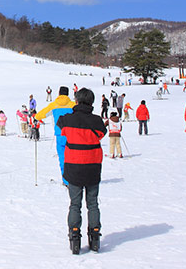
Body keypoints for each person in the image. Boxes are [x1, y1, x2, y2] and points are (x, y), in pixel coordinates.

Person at [57, 88, 107, 254]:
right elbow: (101, 134)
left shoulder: (67, 119)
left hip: (74, 166)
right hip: (92, 166)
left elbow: (61, 126)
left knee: (75, 204)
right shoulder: (97, 121)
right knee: (93, 203)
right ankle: (94, 236)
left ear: (76, 101)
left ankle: (75, 235)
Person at [35, 86, 76, 184]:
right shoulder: (73, 104)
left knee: (62, 157)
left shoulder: (53, 105)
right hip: (73, 134)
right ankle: (75, 178)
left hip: (60, 134)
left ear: (58, 94)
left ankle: (66, 180)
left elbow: (40, 115)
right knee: (74, 157)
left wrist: (36, 117)